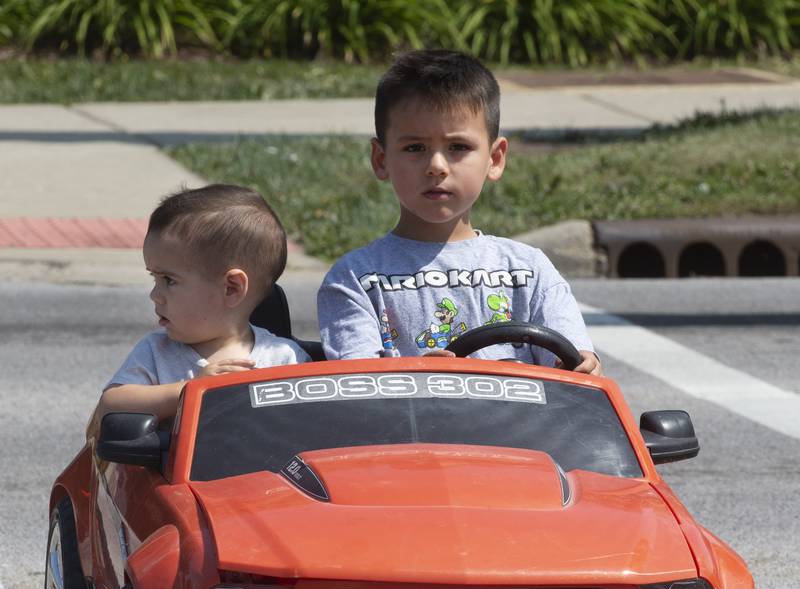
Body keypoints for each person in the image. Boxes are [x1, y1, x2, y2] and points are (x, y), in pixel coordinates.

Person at [317, 49, 601, 374]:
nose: (436, 166)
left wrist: (584, 366)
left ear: (494, 159)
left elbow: (575, 372)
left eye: (458, 148)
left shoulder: (530, 271)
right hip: (406, 424)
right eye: (415, 148)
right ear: (381, 160)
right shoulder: (354, 279)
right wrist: (415, 373)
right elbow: (358, 387)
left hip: (519, 424)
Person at [92, 184, 309, 431]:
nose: (155, 295)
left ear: (231, 288)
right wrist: (189, 392)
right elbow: (110, 405)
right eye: (155, 279)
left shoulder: (285, 359)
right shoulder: (157, 352)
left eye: (169, 280)